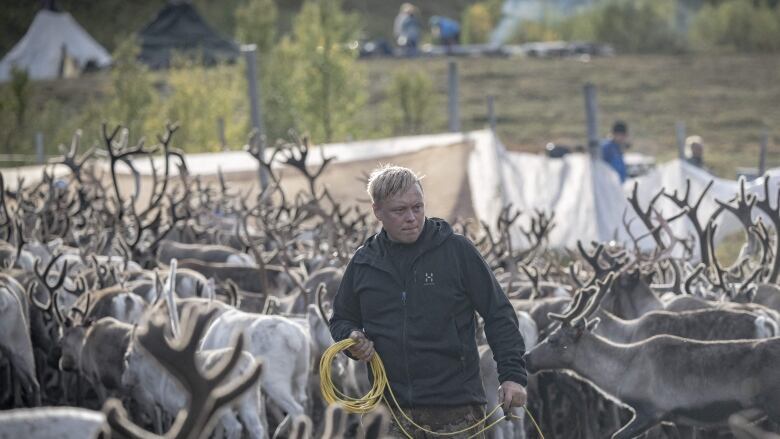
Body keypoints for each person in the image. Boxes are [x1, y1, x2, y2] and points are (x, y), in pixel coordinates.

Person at [329, 165, 528, 438]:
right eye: (400, 210)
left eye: (417, 207)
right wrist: (352, 339)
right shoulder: (365, 262)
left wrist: (512, 375)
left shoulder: (457, 252)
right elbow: (342, 318)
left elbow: (498, 314)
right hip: (389, 410)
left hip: (455, 409)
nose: (411, 217)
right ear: (377, 212)